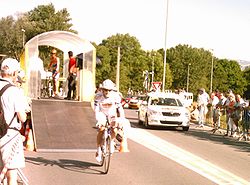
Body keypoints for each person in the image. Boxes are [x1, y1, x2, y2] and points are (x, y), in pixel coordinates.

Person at [0, 58, 28, 185]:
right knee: (11, 174)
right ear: (14, 73)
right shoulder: (14, 91)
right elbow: (22, 117)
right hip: (8, 135)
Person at [94, 79, 129, 162]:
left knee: (114, 128)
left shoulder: (116, 96)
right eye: (105, 90)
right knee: (101, 129)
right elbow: (96, 110)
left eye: (109, 90)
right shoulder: (98, 96)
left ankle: (112, 141)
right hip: (102, 113)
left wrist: (122, 118)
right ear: (102, 89)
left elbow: (120, 109)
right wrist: (98, 119)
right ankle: (99, 149)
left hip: (111, 114)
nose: (107, 92)